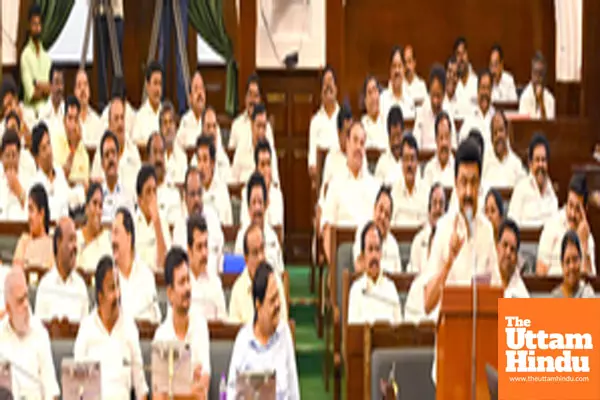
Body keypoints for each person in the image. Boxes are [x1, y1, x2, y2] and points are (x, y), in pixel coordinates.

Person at [423, 139, 501, 384]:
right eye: (463, 182)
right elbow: (428, 301)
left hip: (481, 362)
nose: (468, 192)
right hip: (450, 359)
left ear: (480, 185)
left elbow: (498, 294)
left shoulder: (487, 231)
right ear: (455, 184)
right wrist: (449, 262)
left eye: (473, 182)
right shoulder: (444, 228)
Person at [74, 256, 149, 399]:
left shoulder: (129, 327)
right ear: (100, 296)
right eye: (112, 288)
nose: (118, 294)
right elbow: (76, 389)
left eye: (118, 285)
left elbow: (140, 387)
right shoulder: (86, 328)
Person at [227, 262, 299, 399]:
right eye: (272, 300)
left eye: (278, 296)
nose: (278, 304)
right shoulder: (243, 341)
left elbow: (293, 393)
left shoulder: (284, 334)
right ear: (258, 305)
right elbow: (231, 394)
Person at [153, 247, 211, 397]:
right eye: (181, 282)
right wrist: (189, 391)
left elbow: (202, 391)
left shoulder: (200, 326)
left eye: (188, 280)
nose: (187, 288)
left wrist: (171, 392)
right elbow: (158, 397)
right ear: (170, 293)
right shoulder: (161, 337)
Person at [321, 122, 379, 263]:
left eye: (362, 143)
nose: (358, 147)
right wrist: (333, 267)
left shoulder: (375, 185)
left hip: (369, 256)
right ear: (346, 143)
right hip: (342, 257)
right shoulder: (335, 184)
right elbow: (327, 228)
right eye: (355, 141)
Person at [0, 266, 60, 399]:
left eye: (27, 297)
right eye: (20, 301)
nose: (26, 305)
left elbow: (52, 391)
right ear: (8, 309)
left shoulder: (40, 333)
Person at [537, 174, 596, 276]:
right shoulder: (552, 224)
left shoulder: (587, 237)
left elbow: (590, 283)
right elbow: (540, 272)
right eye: (570, 206)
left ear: (585, 210)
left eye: (578, 209)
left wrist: (584, 245)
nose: (572, 214)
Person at [112, 207, 161, 323]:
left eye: (116, 232)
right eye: (111, 233)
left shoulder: (146, 276)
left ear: (129, 237)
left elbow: (156, 319)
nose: (112, 239)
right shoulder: (108, 276)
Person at [172, 167, 225, 275]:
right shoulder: (179, 227)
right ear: (185, 196)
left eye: (199, 193)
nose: (196, 199)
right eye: (192, 194)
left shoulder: (213, 218)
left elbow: (220, 256)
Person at [230, 224, 288, 323]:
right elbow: (234, 332)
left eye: (262, 249)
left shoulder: (275, 282)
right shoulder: (238, 289)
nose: (261, 257)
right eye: (255, 253)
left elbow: (283, 323)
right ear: (246, 258)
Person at [35, 217, 89, 322]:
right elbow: (39, 332)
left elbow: (86, 333)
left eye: (76, 240)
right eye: (71, 239)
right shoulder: (45, 286)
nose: (75, 246)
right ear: (59, 242)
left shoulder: (81, 286)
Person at [348, 222, 402, 324]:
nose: (374, 256)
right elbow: (353, 333)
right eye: (370, 249)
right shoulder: (356, 290)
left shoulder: (390, 288)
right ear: (363, 255)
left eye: (377, 249)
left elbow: (399, 328)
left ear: (381, 254)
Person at [235, 173, 284, 274]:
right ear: (248, 208)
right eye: (253, 202)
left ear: (266, 206)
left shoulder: (272, 237)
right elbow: (238, 276)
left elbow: (281, 273)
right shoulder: (241, 239)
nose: (257, 208)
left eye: (260, 202)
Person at [508, 133, 558, 226]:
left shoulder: (551, 192)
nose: (540, 165)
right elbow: (511, 227)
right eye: (537, 160)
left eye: (543, 160)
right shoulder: (520, 189)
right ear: (530, 163)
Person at [92, 95, 142, 190]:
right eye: (116, 118)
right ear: (110, 125)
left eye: (122, 118)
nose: (120, 123)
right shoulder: (101, 151)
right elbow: (95, 182)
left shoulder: (132, 150)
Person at [187, 215, 227, 321]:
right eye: (199, 247)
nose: (204, 253)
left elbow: (223, 326)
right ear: (189, 250)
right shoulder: (181, 282)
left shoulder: (215, 284)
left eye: (206, 245)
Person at [353, 186, 402, 273]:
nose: (382, 217)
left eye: (387, 214)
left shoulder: (393, 244)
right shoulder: (363, 233)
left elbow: (398, 277)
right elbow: (359, 267)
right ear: (374, 208)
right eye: (381, 209)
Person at [30, 122, 70, 220]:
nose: (49, 151)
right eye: (44, 148)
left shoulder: (60, 173)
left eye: (49, 144)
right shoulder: (35, 184)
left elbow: (68, 200)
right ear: (36, 158)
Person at [231, 102, 280, 184]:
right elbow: (233, 180)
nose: (261, 131)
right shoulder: (242, 147)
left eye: (264, 127)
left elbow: (275, 182)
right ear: (252, 124)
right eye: (258, 126)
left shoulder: (269, 151)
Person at [134, 165, 171, 272]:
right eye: (148, 192)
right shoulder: (131, 224)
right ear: (140, 199)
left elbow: (164, 264)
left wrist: (157, 222)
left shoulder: (162, 222)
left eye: (154, 191)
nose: (153, 197)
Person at [241, 139, 284, 227]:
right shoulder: (246, 192)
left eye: (268, 164)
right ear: (256, 169)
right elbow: (245, 225)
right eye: (263, 165)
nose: (266, 170)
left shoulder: (277, 195)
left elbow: (279, 230)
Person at [413, 64, 457, 151]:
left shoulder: (448, 112)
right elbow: (416, 145)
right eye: (433, 95)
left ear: (444, 94)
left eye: (438, 96)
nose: (435, 101)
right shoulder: (421, 112)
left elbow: (454, 147)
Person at [308, 65, 340, 181]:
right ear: (321, 92)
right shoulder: (316, 121)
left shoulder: (343, 118)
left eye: (330, 82)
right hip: (322, 179)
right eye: (325, 84)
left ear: (336, 88)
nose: (328, 87)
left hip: (341, 175)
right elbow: (312, 157)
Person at [229, 74, 275, 151]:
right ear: (245, 97)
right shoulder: (236, 124)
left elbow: (271, 156)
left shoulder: (266, 126)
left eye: (256, 96)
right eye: (250, 94)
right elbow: (231, 155)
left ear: (260, 99)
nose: (252, 100)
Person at [407, 183, 447, 274]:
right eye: (434, 203)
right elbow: (413, 274)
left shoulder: (450, 241)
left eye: (441, 204)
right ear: (429, 210)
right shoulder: (418, 240)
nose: (437, 209)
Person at [390, 133, 428, 226]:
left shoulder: (426, 191)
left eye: (412, 159)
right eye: (406, 159)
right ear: (401, 162)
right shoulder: (394, 192)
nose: (409, 165)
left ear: (417, 162)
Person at [12, 184, 54, 268]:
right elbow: (16, 269)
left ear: (41, 213)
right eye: (28, 210)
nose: (29, 217)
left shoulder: (52, 244)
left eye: (31, 210)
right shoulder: (24, 240)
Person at [20, 4, 52, 112]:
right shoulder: (25, 55)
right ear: (29, 25)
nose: (37, 28)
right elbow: (31, 94)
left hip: (47, 111)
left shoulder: (46, 57)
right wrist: (46, 90)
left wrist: (38, 84)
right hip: (31, 113)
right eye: (34, 24)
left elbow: (51, 90)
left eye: (39, 24)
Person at [481, 111, 526, 188]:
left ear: (507, 133)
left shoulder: (516, 164)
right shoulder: (484, 162)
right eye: (495, 133)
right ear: (491, 139)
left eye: (501, 130)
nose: (498, 136)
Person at [98, 130, 136, 220]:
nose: (111, 159)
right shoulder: (97, 197)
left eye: (113, 153)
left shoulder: (128, 195)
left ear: (118, 158)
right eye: (107, 155)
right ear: (102, 164)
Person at [52, 95, 89, 185]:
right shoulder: (55, 142)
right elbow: (58, 181)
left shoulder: (82, 149)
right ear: (64, 121)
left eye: (76, 119)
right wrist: (73, 149)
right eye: (70, 118)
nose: (73, 125)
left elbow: (86, 183)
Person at [196, 135, 233, 225]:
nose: (201, 166)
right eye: (199, 160)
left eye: (205, 160)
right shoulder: (193, 190)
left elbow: (228, 225)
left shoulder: (222, 191)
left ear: (212, 163)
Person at [147, 132, 182, 224]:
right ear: (148, 158)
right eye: (155, 152)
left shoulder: (174, 194)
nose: (158, 158)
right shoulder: (140, 192)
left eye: (161, 152)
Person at [95, 0, 125, 110]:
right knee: (101, 63)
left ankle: (118, 102)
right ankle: (102, 104)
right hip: (100, 12)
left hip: (116, 13)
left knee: (116, 64)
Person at [76, 183, 112, 272]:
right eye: (94, 203)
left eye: (100, 206)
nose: (97, 210)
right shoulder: (76, 237)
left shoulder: (107, 238)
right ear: (86, 208)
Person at [320, 105, 354, 193]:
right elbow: (325, 192)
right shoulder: (331, 157)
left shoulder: (359, 154)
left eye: (351, 134)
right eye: (347, 133)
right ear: (339, 133)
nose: (350, 139)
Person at [551, 230, 595, 298]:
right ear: (562, 265)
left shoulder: (588, 295)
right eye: (567, 261)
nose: (572, 266)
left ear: (581, 261)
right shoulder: (555, 297)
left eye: (575, 259)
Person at [458, 69, 494, 146]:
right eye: (483, 88)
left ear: (491, 91)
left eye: (488, 88)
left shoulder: (496, 118)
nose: (485, 92)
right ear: (477, 91)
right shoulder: (469, 119)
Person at [380, 47, 415, 123]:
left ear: (404, 69)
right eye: (394, 66)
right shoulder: (382, 99)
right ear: (390, 70)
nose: (397, 71)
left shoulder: (410, 98)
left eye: (400, 66)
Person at [132, 61, 163, 145]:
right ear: (148, 86)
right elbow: (135, 143)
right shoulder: (140, 117)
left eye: (160, 84)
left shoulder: (166, 113)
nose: (158, 89)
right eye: (155, 83)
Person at [497, 219, 529, 298]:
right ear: (497, 248)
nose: (508, 253)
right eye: (505, 245)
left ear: (516, 258)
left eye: (512, 249)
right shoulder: (485, 279)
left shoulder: (522, 294)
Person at [0, 130, 28, 220]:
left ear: (19, 155)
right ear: (1, 157)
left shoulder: (28, 179)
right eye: (7, 156)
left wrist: (19, 190)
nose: (11, 161)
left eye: (14, 155)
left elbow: (33, 213)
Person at [519, 51, 556, 119]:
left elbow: (549, 126)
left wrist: (541, 102)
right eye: (535, 73)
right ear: (531, 74)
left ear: (545, 76)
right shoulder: (524, 97)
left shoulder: (550, 99)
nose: (537, 78)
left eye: (541, 74)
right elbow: (523, 125)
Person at [199, 105, 231, 183]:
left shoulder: (224, 160)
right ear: (202, 129)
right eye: (208, 126)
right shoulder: (196, 161)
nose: (212, 131)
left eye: (214, 126)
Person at [0, 75, 36, 143]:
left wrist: (21, 122)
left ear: (16, 99)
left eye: (10, 104)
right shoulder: (2, 127)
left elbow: (35, 143)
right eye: (5, 109)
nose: (9, 110)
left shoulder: (30, 114)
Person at [423, 111, 455, 188]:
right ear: (436, 140)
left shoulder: (457, 168)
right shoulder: (429, 169)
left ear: (451, 138)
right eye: (441, 138)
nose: (444, 143)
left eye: (447, 137)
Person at [159, 101, 187, 185]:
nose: (168, 127)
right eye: (165, 122)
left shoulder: (182, 157)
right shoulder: (156, 155)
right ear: (160, 129)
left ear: (176, 127)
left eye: (171, 122)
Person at [374, 106, 404, 182]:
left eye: (398, 136)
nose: (396, 143)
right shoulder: (382, 163)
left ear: (403, 134)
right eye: (393, 137)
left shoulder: (410, 160)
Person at [177, 69, 206, 148]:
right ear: (190, 97)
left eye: (202, 88)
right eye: (196, 89)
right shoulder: (185, 122)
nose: (200, 93)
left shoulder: (211, 120)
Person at [74, 69, 102, 147]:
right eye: (79, 85)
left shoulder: (97, 122)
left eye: (85, 84)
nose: (83, 89)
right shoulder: (70, 122)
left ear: (89, 90)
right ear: (75, 92)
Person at [360, 75, 387, 150]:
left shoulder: (387, 118)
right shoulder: (362, 125)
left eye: (375, 91)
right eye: (369, 92)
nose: (373, 97)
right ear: (365, 101)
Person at [38, 65, 65, 135]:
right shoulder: (42, 112)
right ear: (50, 85)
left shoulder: (67, 111)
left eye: (61, 83)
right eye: (56, 82)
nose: (60, 88)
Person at [454, 36, 478, 107]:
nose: (461, 58)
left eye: (463, 53)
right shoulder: (452, 84)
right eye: (458, 54)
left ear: (467, 55)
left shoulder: (476, 82)